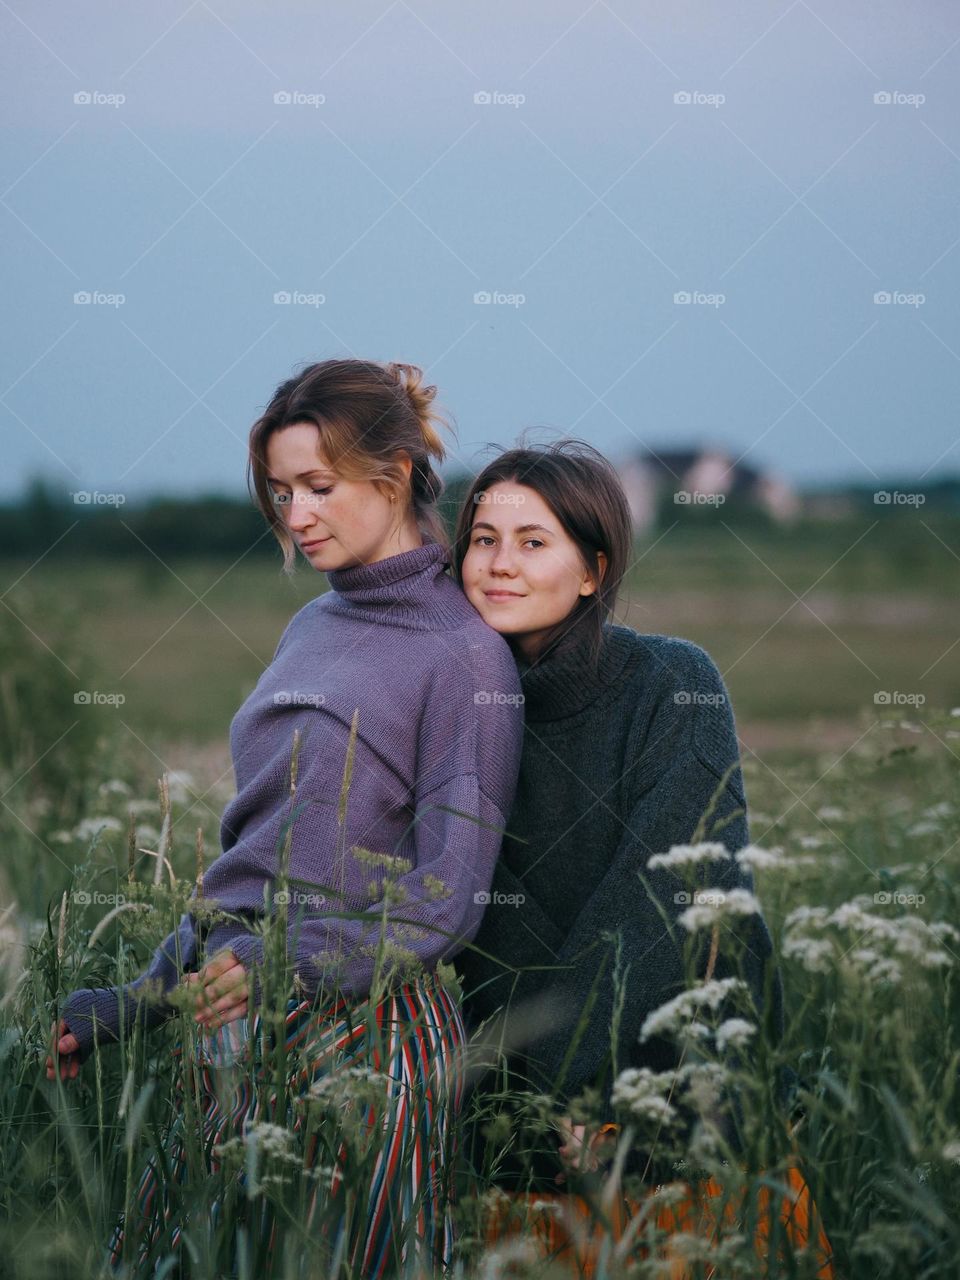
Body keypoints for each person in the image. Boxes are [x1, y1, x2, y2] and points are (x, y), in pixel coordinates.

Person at [45, 359, 524, 1278]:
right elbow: (257, 862)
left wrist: (282, 962)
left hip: (366, 1039)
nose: (295, 514)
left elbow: (446, 902)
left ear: (391, 478)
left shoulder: (464, 657)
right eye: (280, 490)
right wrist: (137, 1002)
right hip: (236, 1023)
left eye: (318, 487)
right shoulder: (312, 626)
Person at [450, 439, 795, 1193]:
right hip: (508, 1118)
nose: (499, 564)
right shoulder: (452, 708)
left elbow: (669, 896)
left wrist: (574, 1093)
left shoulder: (672, 682)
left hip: (674, 1094)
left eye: (533, 543)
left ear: (592, 572)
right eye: (483, 540)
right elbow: (478, 920)